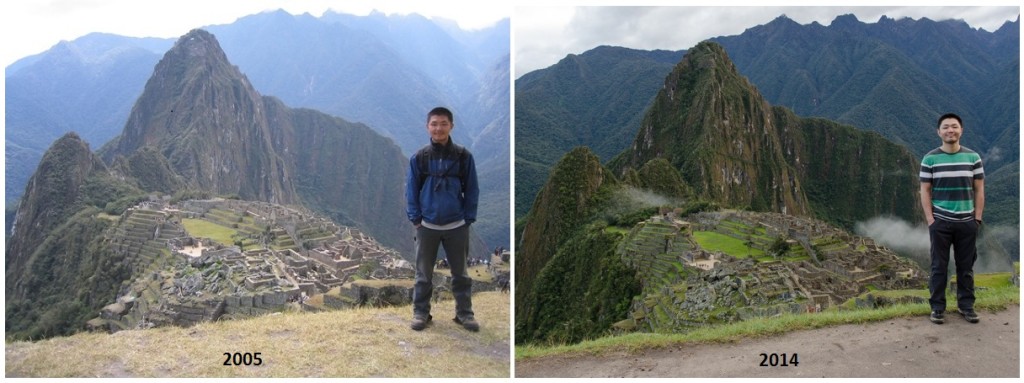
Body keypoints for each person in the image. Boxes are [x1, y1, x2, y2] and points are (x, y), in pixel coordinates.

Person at [406, 106, 480, 332]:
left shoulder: (463, 156)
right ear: (427, 127)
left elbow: (472, 189)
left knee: (461, 274)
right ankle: (421, 313)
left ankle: (464, 314)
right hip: (427, 225)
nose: (438, 128)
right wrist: (416, 218)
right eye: (434, 124)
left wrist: (468, 218)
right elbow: (411, 190)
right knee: (423, 274)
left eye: (443, 124)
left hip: (456, 224)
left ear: (451, 126)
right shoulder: (419, 158)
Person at [919, 113, 984, 325]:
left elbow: (979, 189)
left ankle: (966, 306)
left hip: (967, 222)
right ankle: (937, 308)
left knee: (966, 267)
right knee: (939, 266)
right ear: (939, 132)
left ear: (961, 130)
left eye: (954, 127)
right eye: (945, 127)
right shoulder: (930, 159)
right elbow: (925, 191)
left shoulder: (973, 158)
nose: (950, 130)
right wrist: (931, 219)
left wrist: (977, 219)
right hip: (941, 222)